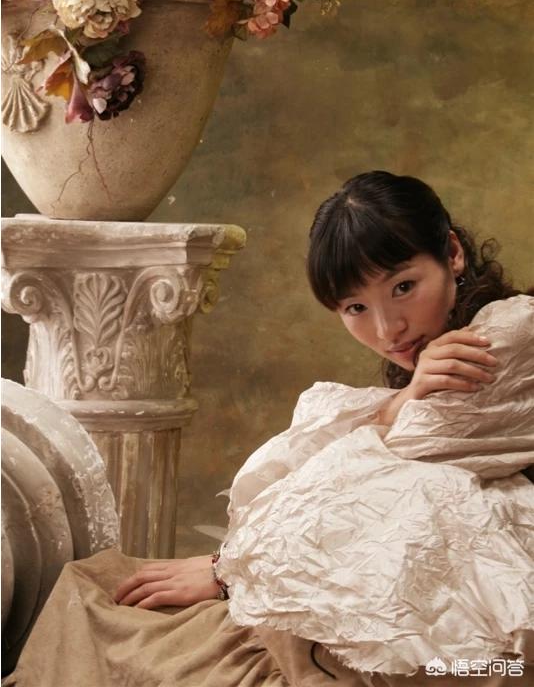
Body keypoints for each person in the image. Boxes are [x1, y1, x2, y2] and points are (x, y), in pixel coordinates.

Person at [7, 172, 534, 687]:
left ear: (452, 253)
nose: (387, 328)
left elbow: (382, 475)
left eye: (404, 287)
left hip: (488, 653)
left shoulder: (508, 334)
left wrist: (227, 571)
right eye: (356, 307)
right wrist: (406, 396)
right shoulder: (433, 360)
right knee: (115, 618)